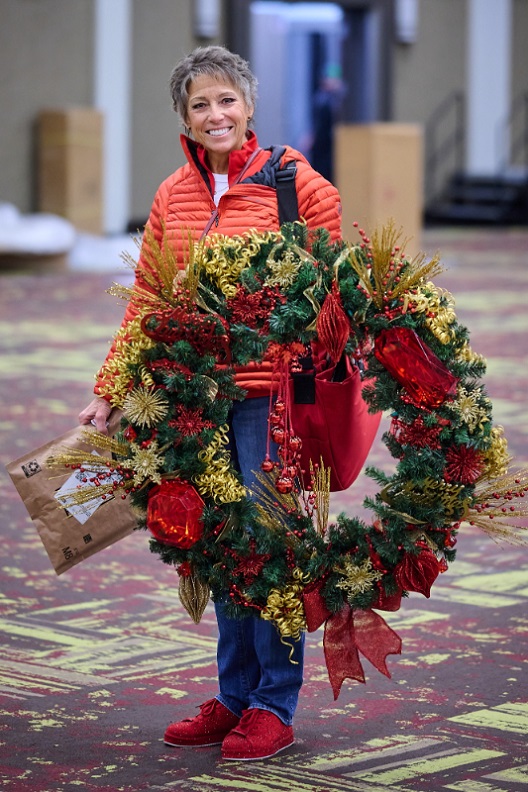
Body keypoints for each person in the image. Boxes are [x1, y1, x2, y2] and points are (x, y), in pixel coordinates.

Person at [79, 45, 342, 762]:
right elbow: (148, 300)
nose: (216, 114)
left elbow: (331, 298)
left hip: (269, 398)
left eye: (227, 100)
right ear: (185, 119)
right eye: (201, 104)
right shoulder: (173, 194)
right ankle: (233, 697)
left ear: (249, 106)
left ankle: (273, 705)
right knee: (221, 549)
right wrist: (110, 393)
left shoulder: (298, 185)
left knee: (269, 548)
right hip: (195, 399)